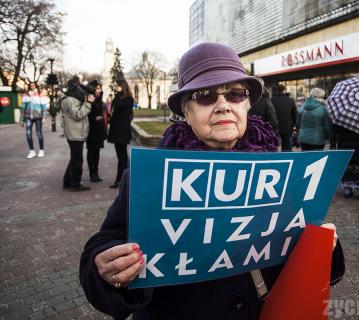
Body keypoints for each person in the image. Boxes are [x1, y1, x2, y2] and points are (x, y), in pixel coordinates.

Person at [79, 42, 345, 320]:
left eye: (234, 94)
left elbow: (298, 245)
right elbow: (104, 245)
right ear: (186, 111)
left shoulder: (283, 172)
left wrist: (323, 244)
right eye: (206, 96)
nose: (223, 106)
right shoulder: (152, 178)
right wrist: (108, 267)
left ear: (246, 104)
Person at [61, 77, 94, 191]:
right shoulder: (70, 100)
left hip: (76, 132)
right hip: (75, 133)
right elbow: (78, 115)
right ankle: (75, 184)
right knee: (77, 160)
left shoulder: (72, 99)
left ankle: (67, 181)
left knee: (74, 158)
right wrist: (88, 103)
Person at [331, 125, 359, 200]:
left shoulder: (343, 117)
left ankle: (347, 190)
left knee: (347, 168)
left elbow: (335, 130)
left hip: (345, 147)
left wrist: (334, 146)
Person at [107, 79, 134, 188]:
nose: (114, 88)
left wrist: (116, 95)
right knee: (121, 156)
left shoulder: (127, 99)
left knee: (122, 156)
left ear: (122, 86)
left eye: (116, 86)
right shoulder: (119, 97)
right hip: (117, 130)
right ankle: (123, 178)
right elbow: (113, 108)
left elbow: (117, 107)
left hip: (122, 131)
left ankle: (121, 180)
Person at [86, 80, 107, 183]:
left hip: (99, 129)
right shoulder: (89, 98)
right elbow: (87, 112)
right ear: (93, 89)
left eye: (100, 88)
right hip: (91, 129)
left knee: (97, 152)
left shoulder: (99, 98)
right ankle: (92, 173)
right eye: (97, 88)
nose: (100, 90)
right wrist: (94, 118)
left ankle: (96, 172)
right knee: (91, 151)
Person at [20, 82, 47, 159]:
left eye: (33, 85)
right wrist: (21, 119)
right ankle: (32, 151)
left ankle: (41, 150)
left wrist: (44, 117)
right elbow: (22, 108)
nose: (32, 87)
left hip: (38, 117)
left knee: (39, 133)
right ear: (29, 86)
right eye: (31, 85)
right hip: (28, 117)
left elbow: (44, 108)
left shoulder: (40, 95)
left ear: (36, 86)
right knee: (28, 134)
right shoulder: (26, 96)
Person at [271, 84, 297, 151]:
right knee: (287, 146)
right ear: (283, 90)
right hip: (287, 127)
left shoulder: (272, 100)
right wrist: (293, 125)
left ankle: (274, 159)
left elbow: (270, 114)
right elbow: (294, 114)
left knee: (274, 145)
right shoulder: (290, 100)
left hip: (275, 127)